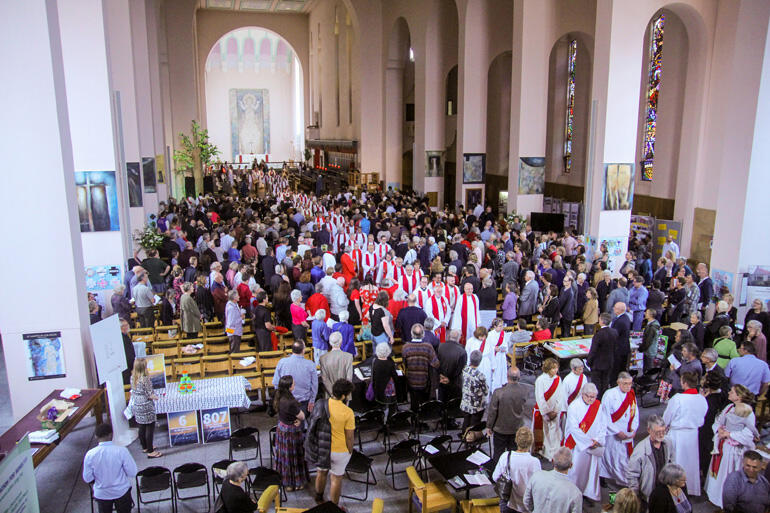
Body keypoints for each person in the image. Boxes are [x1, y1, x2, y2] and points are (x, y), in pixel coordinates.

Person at [705, 385, 759, 506]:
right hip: (722, 445)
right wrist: (719, 429)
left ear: (739, 396)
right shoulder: (729, 407)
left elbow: (748, 433)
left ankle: (726, 501)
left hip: (734, 448)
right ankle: (715, 497)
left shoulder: (747, 411)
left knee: (727, 474)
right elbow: (718, 421)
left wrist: (729, 434)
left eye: (732, 392)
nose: (729, 392)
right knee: (719, 473)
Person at [662, 371, 708, 495]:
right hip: (692, 434)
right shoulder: (702, 399)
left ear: (684, 383)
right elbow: (702, 417)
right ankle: (691, 488)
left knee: (676, 461)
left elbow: (667, 417)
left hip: (678, 434)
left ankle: (674, 488)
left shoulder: (678, 398)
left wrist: (665, 426)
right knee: (690, 462)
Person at [312, 379, 355, 505]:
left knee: (321, 472)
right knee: (336, 479)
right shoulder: (348, 412)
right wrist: (350, 450)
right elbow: (349, 436)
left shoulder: (320, 404)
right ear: (343, 396)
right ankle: (333, 507)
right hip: (339, 450)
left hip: (323, 447)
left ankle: (318, 497)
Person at [564, 382, 607, 504]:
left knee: (592, 471)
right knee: (577, 472)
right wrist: (588, 442)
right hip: (579, 446)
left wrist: (598, 439)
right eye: (588, 396)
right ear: (582, 394)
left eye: (593, 397)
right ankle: (575, 495)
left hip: (594, 444)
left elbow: (603, 424)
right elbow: (573, 428)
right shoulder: (574, 406)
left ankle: (588, 493)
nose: (591, 399)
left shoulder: (598, 405)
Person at [82, 423, 137, 513]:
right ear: (111, 434)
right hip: (121, 492)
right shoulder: (121, 451)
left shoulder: (90, 454)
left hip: (102, 494)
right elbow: (132, 472)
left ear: (96, 436)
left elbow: (87, 478)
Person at [600, 372, 639, 488]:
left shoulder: (631, 394)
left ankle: (626, 482)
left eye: (630, 384)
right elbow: (605, 416)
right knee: (613, 458)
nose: (628, 386)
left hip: (628, 433)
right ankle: (611, 480)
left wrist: (634, 428)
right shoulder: (609, 395)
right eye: (625, 384)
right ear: (618, 382)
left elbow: (635, 412)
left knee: (625, 458)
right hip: (614, 434)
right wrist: (617, 432)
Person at [627, 415, 675, 508]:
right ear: (649, 430)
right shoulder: (640, 450)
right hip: (648, 495)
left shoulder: (668, 442)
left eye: (663, 431)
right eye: (658, 432)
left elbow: (672, 462)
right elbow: (632, 475)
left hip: (665, 491)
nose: (661, 435)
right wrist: (636, 496)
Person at [492, 426, 541, 513]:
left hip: (508, 503)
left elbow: (495, 477)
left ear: (516, 440)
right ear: (531, 443)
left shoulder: (505, 456)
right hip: (527, 506)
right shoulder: (535, 462)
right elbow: (538, 487)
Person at [273, 375, 309, 490]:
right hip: (291, 432)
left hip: (282, 428)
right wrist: (298, 419)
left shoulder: (278, 397)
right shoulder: (291, 402)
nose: (294, 384)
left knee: (285, 457)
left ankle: (286, 482)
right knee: (295, 456)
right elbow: (302, 416)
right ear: (290, 387)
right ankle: (297, 482)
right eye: (293, 383)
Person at [487, 367, 528, 466]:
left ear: (507, 376)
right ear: (519, 377)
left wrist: (489, 426)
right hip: (516, 428)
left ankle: (497, 475)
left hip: (500, 429)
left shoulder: (499, 392)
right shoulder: (524, 391)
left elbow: (493, 412)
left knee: (498, 453)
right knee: (513, 454)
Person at [523, 446, 583, 513]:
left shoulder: (536, 476)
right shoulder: (575, 493)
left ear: (552, 461)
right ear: (571, 465)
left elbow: (526, 501)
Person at [273, 341, 318, 418]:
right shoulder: (310, 365)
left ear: (292, 350)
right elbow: (314, 385)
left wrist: (280, 398)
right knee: (301, 424)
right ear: (303, 350)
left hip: (286, 401)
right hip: (303, 402)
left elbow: (276, 383)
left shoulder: (282, 362)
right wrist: (312, 400)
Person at [402, 323, 440, 411]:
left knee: (413, 402)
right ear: (423, 334)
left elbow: (404, 363)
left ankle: (414, 419)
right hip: (424, 380)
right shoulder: (428, 347)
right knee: (424, 404)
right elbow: (436, 364)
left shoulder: (406, 347)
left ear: (411, 334)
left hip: (411, 380)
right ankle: (423, 420)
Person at [532, 357, 565, 459]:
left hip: (554, 411)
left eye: (556, 368)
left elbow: (560, 395)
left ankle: (554, 453)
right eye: (553, 368)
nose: (555, 370)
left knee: (554, 433)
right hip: (543, 412)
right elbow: (540, 397)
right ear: (547, 369)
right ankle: (542, 451)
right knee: (543, 432)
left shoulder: (558, 379)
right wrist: (546, 412)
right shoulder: (540, 380)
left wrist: (555, 410)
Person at [129, 358, 162, 458]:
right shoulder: (145, 379)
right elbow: (149, 394)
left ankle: (145, 447)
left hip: (137, 405)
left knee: (141, 427)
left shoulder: (132, 377)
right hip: (146, 405)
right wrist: (158, 397)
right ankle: (151, 451)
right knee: (149, 428)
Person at [587, 313, 617, 398]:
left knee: (596, 384)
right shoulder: (614, 332)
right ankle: (604, 399)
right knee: (605, 383)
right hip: (609, 362)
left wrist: (589, 362)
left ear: (602, 321)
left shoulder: (599, 335)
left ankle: (597, 400)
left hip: (598, 364)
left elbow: (593, 351)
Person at [460, 350, 488, 433]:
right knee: (474, 425)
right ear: (479, 361)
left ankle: (464, 438)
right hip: (476, 406)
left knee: (466, 422)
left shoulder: (464, 370)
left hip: (465, 403)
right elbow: (485, 392)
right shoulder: (480, 376)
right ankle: (471, 440)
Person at [319, 332, 353, 398]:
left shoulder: (323, 358)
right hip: (345, 395)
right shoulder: (348, 357)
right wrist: (343, 394)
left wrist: (333, 394)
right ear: (341, 342)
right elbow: (349, 378)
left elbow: (325, 379)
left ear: (330, 342)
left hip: (330, 396)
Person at [437, 329, 467, 402]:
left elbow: (436, 362)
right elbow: (460, 369)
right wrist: (449, 379)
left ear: (449, 336)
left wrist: (441, 375)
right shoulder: (462, 351)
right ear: (459, 338)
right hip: (454, 384)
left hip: (441, 381)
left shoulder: (440, 346)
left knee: (442, 403)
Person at [371, 342, 398, 417]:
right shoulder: (390, 363)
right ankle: (390, 419)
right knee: (391, 406)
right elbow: (395, 376)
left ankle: (380, 419)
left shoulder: (375, 361)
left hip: (378, 387)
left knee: (380, 405)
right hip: (388, 389)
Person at [610, 303, 632, 383]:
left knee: (616, 370)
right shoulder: (625, 317)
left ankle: (614, 384)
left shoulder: (620, 321)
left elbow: (614, 335)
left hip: (619, 350)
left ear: (620, 310)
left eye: (615, 308)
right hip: (624, 348)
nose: (613, 309)